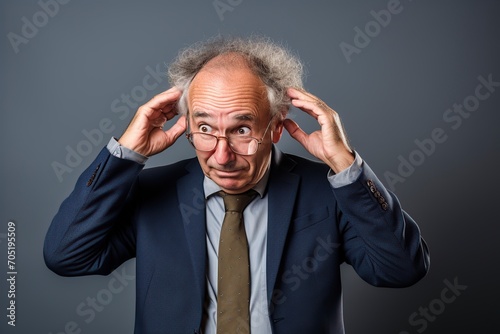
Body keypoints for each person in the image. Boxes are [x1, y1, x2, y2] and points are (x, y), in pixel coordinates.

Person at [44, 36, 430, 334]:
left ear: (276, 125)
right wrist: (126, 154)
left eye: (242, 129)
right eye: (206, 129)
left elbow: (401, 270)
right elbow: (66, 256)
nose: (221, 155)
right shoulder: (152, 192)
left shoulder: (329, 191)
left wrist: (344, 164)